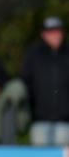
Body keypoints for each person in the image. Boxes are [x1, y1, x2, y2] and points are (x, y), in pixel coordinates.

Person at [21, 16, 69, 146]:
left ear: (62, 33)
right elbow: (24, 83)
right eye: (50, 32)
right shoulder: (33, 55)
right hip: (39, 121)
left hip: (65, 122)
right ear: (43, 34)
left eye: (57, 31)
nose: (54, 35)